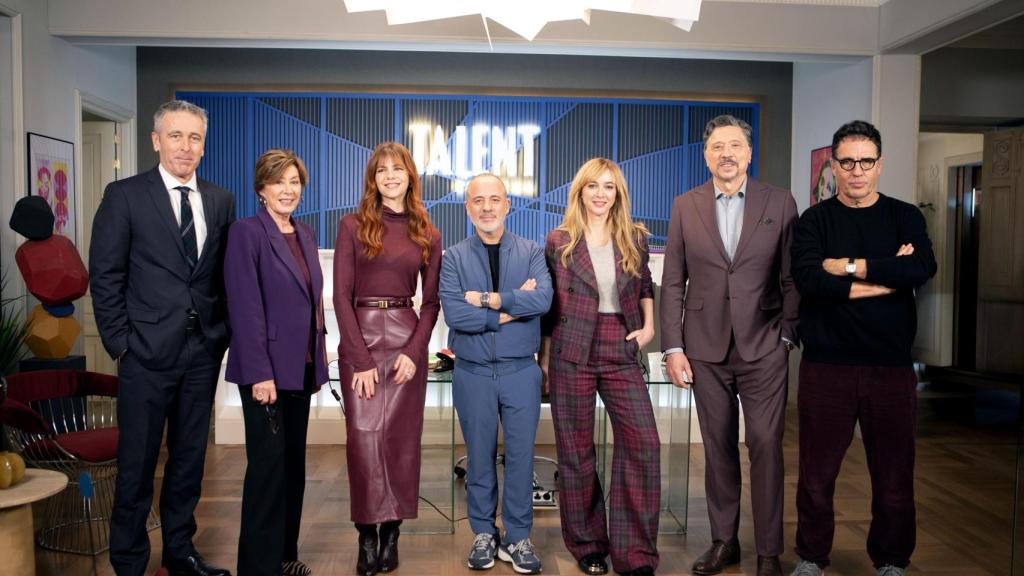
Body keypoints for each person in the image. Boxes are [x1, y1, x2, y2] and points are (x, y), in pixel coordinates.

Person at [90, 100, 235, 576]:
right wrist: (121, 344)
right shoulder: (125, 196)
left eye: (194, 138)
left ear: (204, 144)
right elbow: (105, 275)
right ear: (156, 140)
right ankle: (129, 562)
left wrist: (222, 335)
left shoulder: (219, 199)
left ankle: (180, 552)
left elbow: (221, 276)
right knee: (137, 464)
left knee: (189, 460)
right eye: (175, 136)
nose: (185, 147)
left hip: (201, 353)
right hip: (144, 355)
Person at [789, 121, 936, 576]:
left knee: (894, 476)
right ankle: (812, 558)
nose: (856, 171)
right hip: (826, 365)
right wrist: (884, 279)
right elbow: (810, 280)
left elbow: (922, 269)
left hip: (889, 367)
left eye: (866, 162)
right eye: (847, 162)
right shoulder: (814, 220)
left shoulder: (905, 216)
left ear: (879, 165)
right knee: (816, 475)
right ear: (834, 165)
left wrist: (849, 266)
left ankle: (892, 560)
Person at [659, 114, 798, 576]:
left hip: (764, 346)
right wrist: (673, 348)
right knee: (717, 446)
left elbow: (791, 277)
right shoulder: (685, 205)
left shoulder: (779, 202)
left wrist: (786, 335)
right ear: (706, 155)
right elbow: (673, 282)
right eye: (717, 146)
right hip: (704, 348)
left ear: (749, 152)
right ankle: (725, 542)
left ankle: (769, 551)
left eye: (735, 145)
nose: (727, 154)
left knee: (764, 444)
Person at [540, 158, 659, 576]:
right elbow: (550, 305)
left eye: (609, 187)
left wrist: (649, 327)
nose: (600, 194)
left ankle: (636, 554)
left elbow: (645, 284)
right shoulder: (560, 240)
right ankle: (588, 545)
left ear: (618, 194)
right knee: (576, 452)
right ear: (580, 192)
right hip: (570, 346)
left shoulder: (635, 237)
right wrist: (544, 358)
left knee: (643, 444)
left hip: (619, 342)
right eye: (593, 186)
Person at [332, 141, 441, 576]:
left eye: (398, 169)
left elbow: (430, 303)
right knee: (362, 440)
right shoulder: (352, 225)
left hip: (404, 337)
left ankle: (392, 532)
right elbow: (340, 295)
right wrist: (358, 360)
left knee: (398, 439)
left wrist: (415, 352)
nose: (390, 176)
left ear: (410, 176)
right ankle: (365, 534)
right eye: (382, 171)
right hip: (359, 337)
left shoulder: (427, 232)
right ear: (373, 179)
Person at [439, 173, 552, 575]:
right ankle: (484, 533)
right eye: (477, 200)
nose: (487, 207)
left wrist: (489, 303)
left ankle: (518, 537)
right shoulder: (452, 257)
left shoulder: (533, 251)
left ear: (508, 205)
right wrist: (511, 311)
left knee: (521, 457)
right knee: (480, 458)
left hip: (521, 371)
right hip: (472, 372)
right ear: (467, 208)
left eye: (494, 199)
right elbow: (456, 314)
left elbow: (542, 298)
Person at [223, 149, 327, 576]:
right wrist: (260, 373)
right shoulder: (246, 233)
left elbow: (309, 301)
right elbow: (245, 307)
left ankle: (285, 556)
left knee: (293, 468)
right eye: (278, 181)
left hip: (300, 368)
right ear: (261, 189)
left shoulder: (303, 233)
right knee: (267, 470)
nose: (288, 190)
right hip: (266, 373)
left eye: (294, 182)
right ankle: (257, 567)